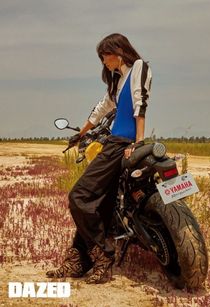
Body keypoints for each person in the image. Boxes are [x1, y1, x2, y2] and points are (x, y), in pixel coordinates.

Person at [46, 33, 152, 283]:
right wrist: (79, 135)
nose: (103, 61)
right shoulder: (117, 80)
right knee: (99, 203)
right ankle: (78, 260)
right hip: (113, 143)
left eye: (104, 55)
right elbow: (102, 108)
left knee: (79, 196)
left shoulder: (138, 67)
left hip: (122, 144)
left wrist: (137, 142)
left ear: (117, 52)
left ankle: (103, 254)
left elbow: (141, 104)